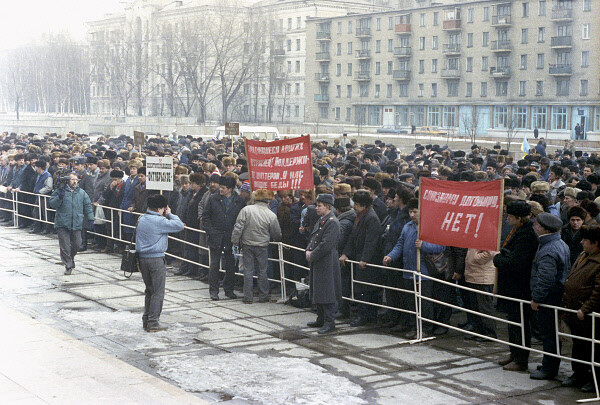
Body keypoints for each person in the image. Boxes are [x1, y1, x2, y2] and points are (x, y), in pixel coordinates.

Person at [493, 200, 539, 372]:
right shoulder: (517, 231)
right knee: (513, 324)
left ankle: (521, 359)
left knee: (520, 324)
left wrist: (498, 259)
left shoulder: (526, 235)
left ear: (519, 218)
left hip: (519, 288)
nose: (507, 219)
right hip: (512, 287)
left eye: (510, 216)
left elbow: (517, 263)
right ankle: (514, 353)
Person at [529, 213, 571, 380]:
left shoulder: (548, 249)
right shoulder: (558, 243)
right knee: (552, 334)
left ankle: (549, 368)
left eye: (537, 225)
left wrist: (536, 298)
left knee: (549, 334)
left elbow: (545, 278)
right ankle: (549, 363)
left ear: (544, 228)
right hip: (555, 295)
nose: (534, 227)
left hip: (549, 298)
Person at [136, 194, 184, 332]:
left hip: (142, 258)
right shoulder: (160, 221)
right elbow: (179, 225)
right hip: (156, 259)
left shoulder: (142, 218)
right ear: (160, 208)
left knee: (149, 290)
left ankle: (146, 319)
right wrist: (171, 214)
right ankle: (153, 322)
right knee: (158, 292)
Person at [562, 225, 600, 393]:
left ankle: (594, 380)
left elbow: (598, 291)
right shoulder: (584, 255)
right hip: (575, 312)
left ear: (596, 243)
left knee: (593, 348)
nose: (582, 242)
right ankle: (578, 374)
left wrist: (585, 309)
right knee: (578, 345)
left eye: (585, 240)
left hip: (589, 315)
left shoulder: (597, 262)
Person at [340, 189, 383, 327]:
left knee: (366, 290)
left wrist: (365, 258)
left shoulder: (371, 218)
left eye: (357, 204)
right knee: (361, 289)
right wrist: (346, 253)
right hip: (359, 258)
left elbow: (371, 241)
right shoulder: (359, 217)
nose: (354, 206)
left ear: (364, 205)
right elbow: (353, 237)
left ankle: (366, 315)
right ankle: (364, 315)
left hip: (368, 261)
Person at [231, 189, 281, 303]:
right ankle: (263, 295)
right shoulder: (271, 215)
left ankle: (248, 297)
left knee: (248, 271)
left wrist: (234, 240)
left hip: (247, 244)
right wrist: (276, 238)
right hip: (262, 245)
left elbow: (238, 227)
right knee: (262, 271)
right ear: (267, 201)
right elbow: (276, 233)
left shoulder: (246, 210)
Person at [203, 175, 246, 300]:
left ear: (230, 189)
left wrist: (237, 236)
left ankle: (229, 289)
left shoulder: (239, 201)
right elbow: (206, 217)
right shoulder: (213, 199)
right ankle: (214, 291)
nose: (220, 190)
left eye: (223, 188)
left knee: (230, 265)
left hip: (231, 237)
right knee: (214, 264)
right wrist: (210, 231)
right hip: (216, 236)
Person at [306, 193, 342, 334]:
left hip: (326, 261)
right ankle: (321, 318)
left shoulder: (332, 222)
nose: (316, 208)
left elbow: (326, 244)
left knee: (327, 292)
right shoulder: (322, 220)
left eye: (319, 206)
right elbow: (314, 238)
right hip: (319, 261)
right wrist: (308, 250)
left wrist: (312, 254)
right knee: (319, 290)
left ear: (327, 206)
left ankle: (329, 322)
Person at [48, 172, 94, 275]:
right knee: (65, 245)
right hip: (62, 222)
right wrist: (59, 197)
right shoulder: (60, 191)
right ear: (68, 180)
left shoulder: (81, 193)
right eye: (72, 179)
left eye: (76, 179)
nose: (74, 181)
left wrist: (91, 218)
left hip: (77, 222)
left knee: (77, 243)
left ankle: (71, 257)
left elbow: (87, 205)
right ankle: (68, 265)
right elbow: (52, 204)